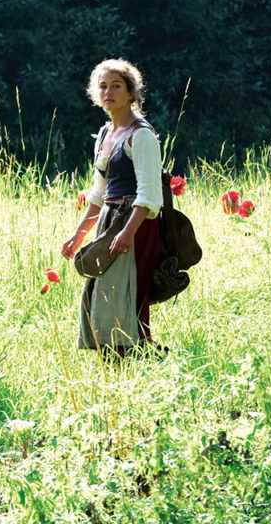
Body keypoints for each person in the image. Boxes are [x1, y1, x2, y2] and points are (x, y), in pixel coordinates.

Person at [61, 59, 165, 356]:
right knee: (102, 295)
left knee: (125, 294)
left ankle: (137, 359)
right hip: (110, 221)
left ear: (131, 93)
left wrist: (128, 233)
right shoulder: (106, 133)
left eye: (116, 86)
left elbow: (149, 195)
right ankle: (116, 364)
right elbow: (99, 192)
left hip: (136, 224)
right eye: (103, 86)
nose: (109, 92)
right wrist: (79, 235)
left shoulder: (141, 135)